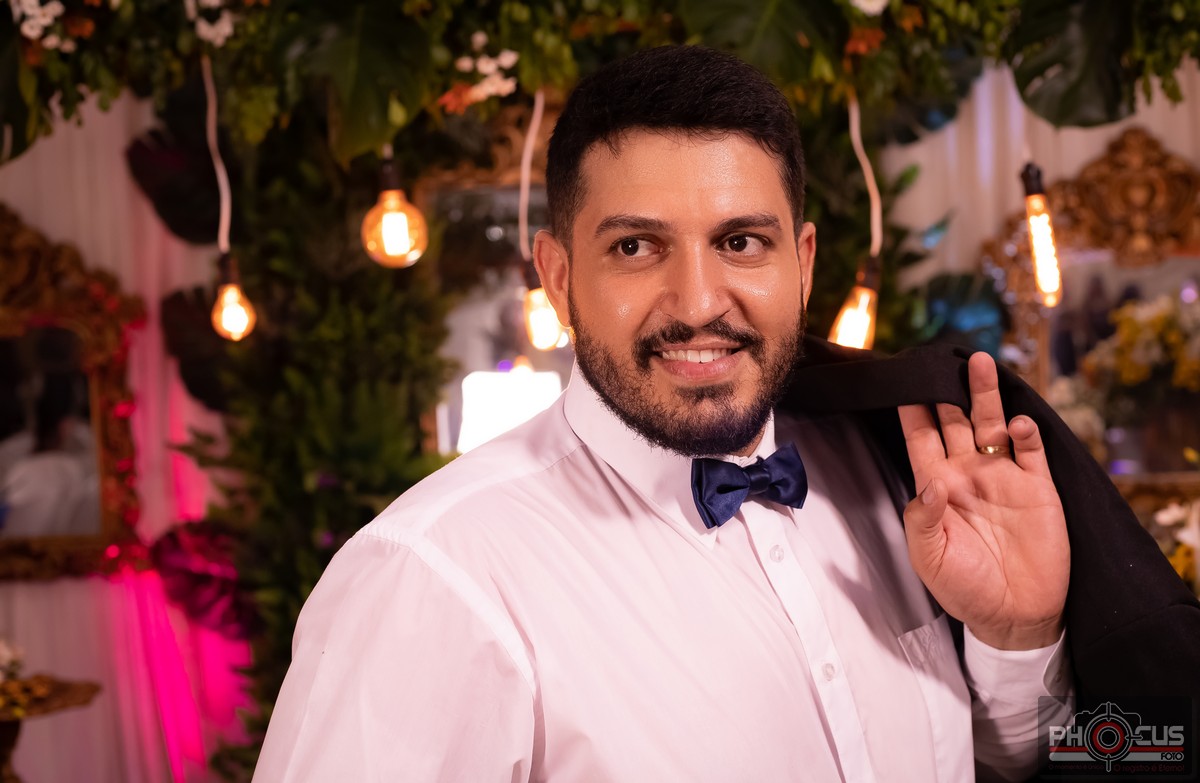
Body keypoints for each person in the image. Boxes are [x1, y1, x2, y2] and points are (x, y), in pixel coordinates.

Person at [255, 46, 1186, 782]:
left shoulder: (895, 476)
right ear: (558, 275)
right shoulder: (428, 577)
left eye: (740, 240)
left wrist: (1014, 640)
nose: (699, 301)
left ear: (804, 263)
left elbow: (996, 763)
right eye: (636, 246)